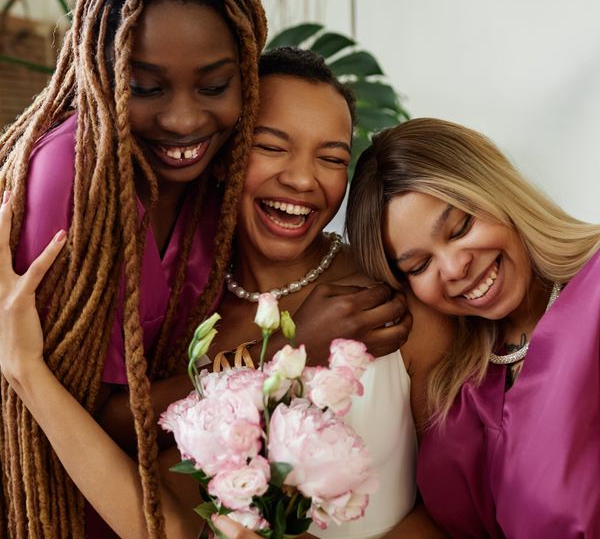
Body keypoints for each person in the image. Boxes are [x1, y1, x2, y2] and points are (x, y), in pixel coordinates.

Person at [0, 52, 448, 538]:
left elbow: (463, 512)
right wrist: (285, 354)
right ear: (221, 160)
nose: (302, 179)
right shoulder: (185, 311)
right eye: (272, 147)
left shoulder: (394, 297)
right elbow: (145, 489)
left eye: (332, 158)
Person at [0, 0, 267, 536]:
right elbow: (78, 413)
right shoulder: (71, 178)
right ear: (104, 72)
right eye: (146, 88)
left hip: (155, 489)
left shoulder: (218, 172)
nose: (183, 120)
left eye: (213, 85)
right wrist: (274, 356)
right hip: (56, 497)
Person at [346, 118, 600, 538]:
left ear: (498, 189)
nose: (454, 267)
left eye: (460, 227)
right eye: (419, 265)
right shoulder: (461, 395)